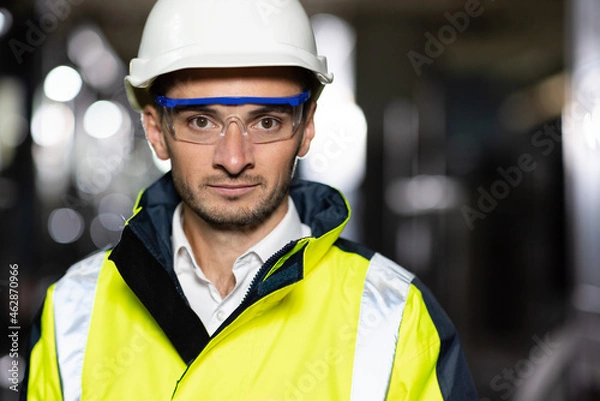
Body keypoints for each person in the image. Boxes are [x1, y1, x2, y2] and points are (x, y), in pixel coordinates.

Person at [21, 0, 478, 400]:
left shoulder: (396, 316)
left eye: (266, 122)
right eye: (201, 121)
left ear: (307, 127)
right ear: (156, 130)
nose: (234, 158)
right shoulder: (73, 312)